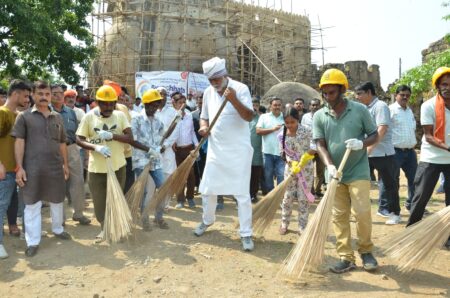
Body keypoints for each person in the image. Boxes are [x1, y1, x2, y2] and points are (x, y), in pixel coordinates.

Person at [313, 69, 379, 273]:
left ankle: (366, 251)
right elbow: (320, 144)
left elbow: (374, 135)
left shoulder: (359, 110)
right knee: (339, 215)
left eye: (331, 92)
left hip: (358, 169)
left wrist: (361, 143)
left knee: (361, 212)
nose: (327, 97)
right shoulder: (319, 115)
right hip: (335, 174)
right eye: (324, 93)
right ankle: (346, 256)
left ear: (342, 90)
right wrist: (330, 166)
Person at [193, 57, 255, 251]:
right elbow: (204, 116)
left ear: (225, 74)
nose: (214, 83)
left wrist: (233, 99)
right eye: (211, 80)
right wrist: (203, 127)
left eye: (217, 79)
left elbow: (249, 116)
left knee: (242, 195)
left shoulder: (241, 88)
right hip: (216, 150)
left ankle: (246, 234)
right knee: (208, 189)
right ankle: (207, 220)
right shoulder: (208, 92)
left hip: (239, 151)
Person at [12, 80, 71, 257]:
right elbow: (19, 141)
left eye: (47, 94)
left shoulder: (57, 117)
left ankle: (58, 229)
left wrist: (65, 164)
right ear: (33, 94)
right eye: (40, 94)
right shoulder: (24, 117)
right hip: (33, 169)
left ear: (51, 96)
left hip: (55, 167)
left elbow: (62, 143)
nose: (44, 97)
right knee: (31, 204)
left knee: (57, 199)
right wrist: (20, 167)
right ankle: (33, 241)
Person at [76, 85, 133, 242]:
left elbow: (130, 138)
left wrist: (113, 136)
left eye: (111, 103)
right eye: (104, 103)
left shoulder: (120, 116)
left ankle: (116, 227)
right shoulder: (89, 117)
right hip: (96, 169)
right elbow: (79, 139)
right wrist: (96, 147)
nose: (108, 107)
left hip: (118, 167)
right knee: (100, 203)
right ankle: (104, 228)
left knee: (115, 200)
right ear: (97, 102)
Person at [407, 67, 450, 249]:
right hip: (431, 158)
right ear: (438, 86)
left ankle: (448, 238)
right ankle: (410, 235)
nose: (448, 87)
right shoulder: (429, 105)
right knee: (421, 197)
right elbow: (429, 136)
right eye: (444, 84)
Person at [356, 82, 400, 225]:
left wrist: (369, 148)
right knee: (359, 182)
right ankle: (358, 212)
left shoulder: (380, 106)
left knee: (389, 184)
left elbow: (382, 129)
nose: (357, 97)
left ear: (369, 92)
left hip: (383, 153)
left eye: (360, 94)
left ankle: (394, 213)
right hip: (368, 153)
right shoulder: (363, 108)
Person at [129, 89, 170, 230]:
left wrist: (162, 147)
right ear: (145, 104)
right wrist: (149, 150)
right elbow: (132, 140)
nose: (154, 109)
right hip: (141, 160)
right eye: (151, 105)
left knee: (163, 187)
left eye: (156, 105)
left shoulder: (158, 121)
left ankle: (159, 218)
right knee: (143, 191)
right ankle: (144, 218)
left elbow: (162, 137)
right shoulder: (136, 119)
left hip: (155, 161)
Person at [51, 84, 91, 225]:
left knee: (78, 181)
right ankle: (60, 219)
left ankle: (78, 214)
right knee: (58, 184)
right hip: (54, 150)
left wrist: (86, 155)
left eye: (60, 93)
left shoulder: (71, 112)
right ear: (50, 95)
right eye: (54, 93)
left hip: (73, 149)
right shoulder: (46, 112)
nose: (58, 96)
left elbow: (78, 133)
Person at [0, 80, 31, 258]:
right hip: (5, 171)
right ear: (16, 94)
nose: (27, 99)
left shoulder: (18, 115)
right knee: (1, 206)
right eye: (25, 96)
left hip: (17, 170)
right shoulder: (3, 113)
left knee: (17, 205)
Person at [278, 107, 315, 235]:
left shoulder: (307, 131)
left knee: (303, 198)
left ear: (297, 120)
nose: (290, 125)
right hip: (291, 171)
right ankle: (284, 223)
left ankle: (302, 226)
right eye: (287, 122)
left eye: (292, 122)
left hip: (306, 170)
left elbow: (315, 146)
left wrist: (304, 159)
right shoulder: (282, 133)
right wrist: (290, 162)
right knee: (287, 197)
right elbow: (282, 152)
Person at [388, 85, 419, 213]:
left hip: (410, 152)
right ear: (396, 95)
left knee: (415, 179)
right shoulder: (390, 110)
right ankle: (391, 209)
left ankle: (411, 204)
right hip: (395, 152)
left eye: (407, 95)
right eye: (402, 94)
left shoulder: (409, 111)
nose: (405, 97)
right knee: (393, 181)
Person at [172, 94, 198, 208]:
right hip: (176, 150)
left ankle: (190, 197)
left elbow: (192, 131)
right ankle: (180, 199)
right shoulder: (172, 115)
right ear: (175, 103)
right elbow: (169, 132)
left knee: (190, 174)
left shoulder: (189, 115)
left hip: (189, 149)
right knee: (179, 175)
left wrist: (197, 145)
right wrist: (171, 142)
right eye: (179, 102)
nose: (182, 105)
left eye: (184, 102)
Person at [155, 90, 179, 210]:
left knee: (167, 176)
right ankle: (154, 202)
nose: (162, 96)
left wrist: (165, 145)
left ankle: (165, 204)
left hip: (167, 149)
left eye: (164, 94)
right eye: (160, 94)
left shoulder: (172, 112)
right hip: (154, 149)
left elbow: (176, 131)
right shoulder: (151, 111)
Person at [256, 97, 284, 192]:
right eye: (275, 105)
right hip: (267, 152)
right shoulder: (264, 117)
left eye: (279, 105)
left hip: (282, 152)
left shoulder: (285, 117)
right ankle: (270, 196)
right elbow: (258, 131)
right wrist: (273, 129)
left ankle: (279, 196)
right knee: (268, 175)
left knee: (281, 175)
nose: (277, 107)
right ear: (270, 106)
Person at [301, 98, 325, 198]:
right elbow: (301, 131)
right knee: (309, 170)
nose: (314, 107)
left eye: (316, 105)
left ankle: (318, 190)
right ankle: (310, 191)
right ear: (309, 106)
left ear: (320, 106)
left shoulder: (324, 116)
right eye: (313, 105)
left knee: (320, 171)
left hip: (321, 147)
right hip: (309, 148)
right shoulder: (305, 117)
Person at [249, 98, 263, 203]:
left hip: (257, 151)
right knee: (244, 174)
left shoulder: (262, 119)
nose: (254, 107)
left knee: (255, 175)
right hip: (243, 152)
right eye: (252, 104)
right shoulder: (243, 118)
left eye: (256, 105)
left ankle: (253, 194)